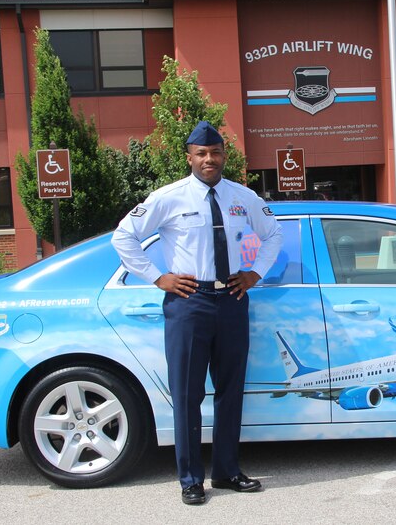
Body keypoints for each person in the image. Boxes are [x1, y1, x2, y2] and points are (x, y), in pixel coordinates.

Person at [112, 121, 282, 505]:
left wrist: (255, 272)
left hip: (233, 300)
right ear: (189, 158)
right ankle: (190, 478)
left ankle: (226, 472)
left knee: (230, 391)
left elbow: (273, 235)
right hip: (190, 303)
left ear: (224, 155)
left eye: (216, 152)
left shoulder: (242, 197)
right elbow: (123, 236)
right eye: (201, 154)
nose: (210, 159)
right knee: (187, 394)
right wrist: (158, 278)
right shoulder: (168, 197)